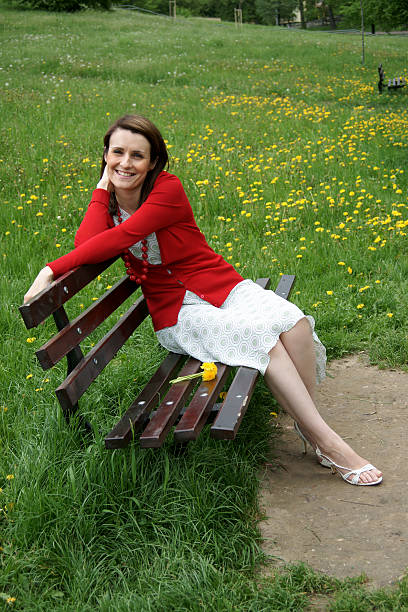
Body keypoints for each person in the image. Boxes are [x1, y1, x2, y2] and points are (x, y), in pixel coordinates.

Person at [24, 114, 382, 487]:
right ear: (105, 156)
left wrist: (50, 268)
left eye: (137, 155)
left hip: (219, 286)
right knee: (265, 343)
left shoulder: (167, 189)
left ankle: (310, 428)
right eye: (117, 153)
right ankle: (331, 444)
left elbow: (122, 236)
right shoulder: (109, 204)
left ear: (153, 162)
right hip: (177, 311)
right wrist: (101, 190)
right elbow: (89, 247)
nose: (126, 163)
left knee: (294, 323)